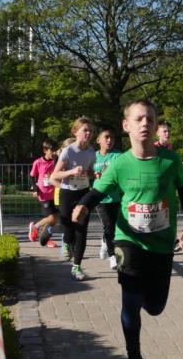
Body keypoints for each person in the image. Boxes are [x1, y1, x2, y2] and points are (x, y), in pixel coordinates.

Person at [74, 99, 183, 359]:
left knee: (155, 306)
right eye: (139, 119)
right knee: (130, 301)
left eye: (150, 119)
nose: (145, 124)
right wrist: (82, 205)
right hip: (127, 239)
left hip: (162, 244)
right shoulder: (119, 164)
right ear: (126, 125)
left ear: (155, 126)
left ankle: (143, 297)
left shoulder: (170, 160)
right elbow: (98, 191)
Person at [51, 119, 97, 281]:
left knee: (81, 230)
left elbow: (90, 171)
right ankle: (66, 241)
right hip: (67, 193)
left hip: (83, 193)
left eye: (91, 131)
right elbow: (55, 175)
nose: (89, 133)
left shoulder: (91, 152)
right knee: (68, 229)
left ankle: (76, 266)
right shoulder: (68, 151)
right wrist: (71, 172)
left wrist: (93, 174)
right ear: (75, 132)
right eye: (85, 130)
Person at [93, 126, 123, 269]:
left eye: (112, 138)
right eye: (106, 137)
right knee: (109, 226)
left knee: (114, 227)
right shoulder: (93, 156)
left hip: (116, 198)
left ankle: (105, 242)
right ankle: (112, 256)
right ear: (98, 140)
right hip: (100, 198)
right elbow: (87, 173)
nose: (109, 140)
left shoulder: (118, 156)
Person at [29, 140, 59, 245]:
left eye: (55, 150)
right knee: (52, 218)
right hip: (44, 194)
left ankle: (45, 238)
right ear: (45, 150)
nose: (54, 153)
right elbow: (32, 177)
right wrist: (36, 189)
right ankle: (35, 227)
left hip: (55, 193)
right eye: (52, 150)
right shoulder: (38, 162)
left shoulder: (56, 161)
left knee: (54, 220)